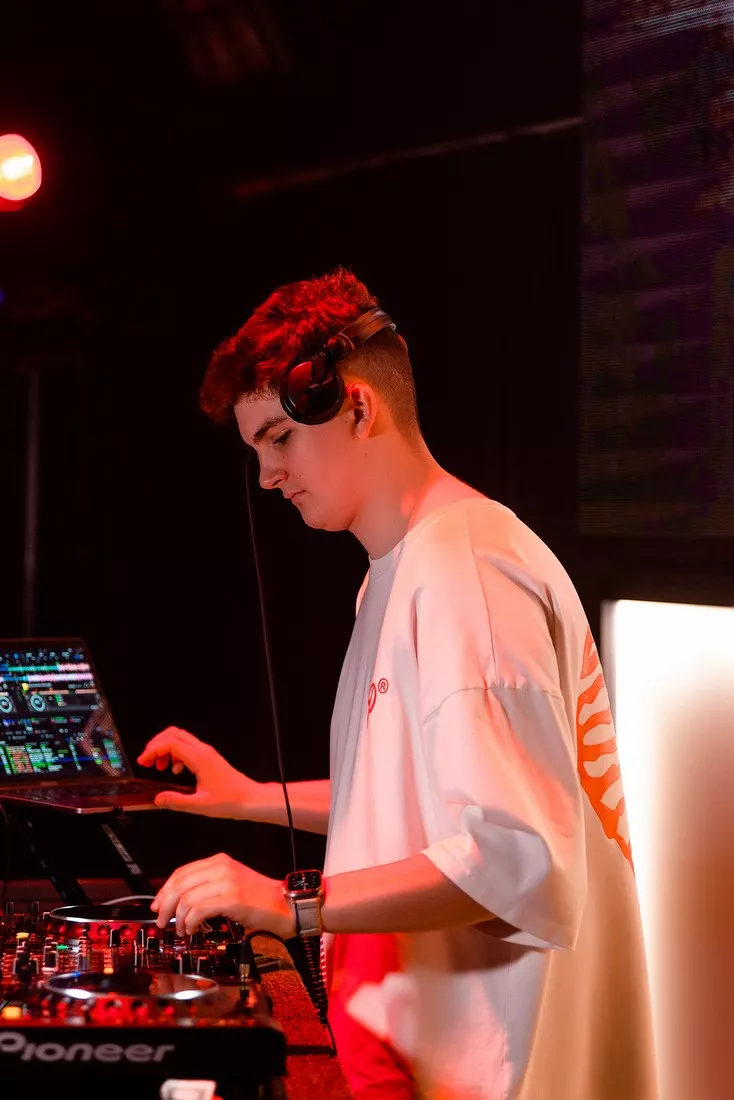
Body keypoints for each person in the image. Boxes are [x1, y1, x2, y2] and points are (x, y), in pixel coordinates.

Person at [139, 268, 658, 1099]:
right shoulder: (408, 569)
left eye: (279, 437)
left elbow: (517, 856)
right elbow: (423, 802)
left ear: (355, 405)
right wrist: (251, 798)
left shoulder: (465, 571)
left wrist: (289, 902)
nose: (268, 475)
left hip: (490, 1073)